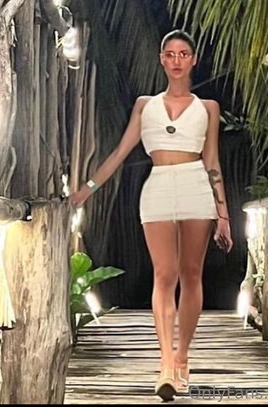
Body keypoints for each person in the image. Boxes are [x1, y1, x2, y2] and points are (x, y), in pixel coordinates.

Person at [69, 29, 233, 401]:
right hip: (158, 187)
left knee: (191, 274)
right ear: (162, 59)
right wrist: (86, 190)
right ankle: (165, 364)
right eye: (170, 54)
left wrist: (223, 215)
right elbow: (119, 153)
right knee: (164, 273)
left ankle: (183, 355)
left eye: (183, 53)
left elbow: (212, 162)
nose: (177, 60)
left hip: (195, 185)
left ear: (193, 59)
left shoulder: (208, 108)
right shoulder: (146, 106)